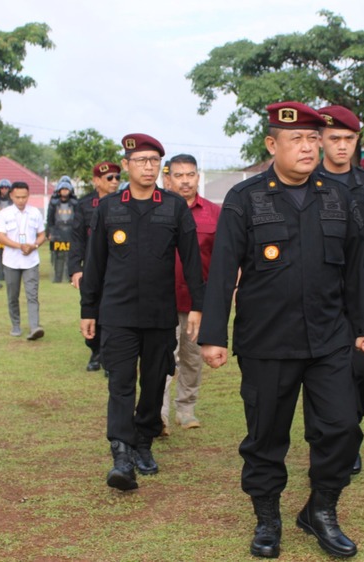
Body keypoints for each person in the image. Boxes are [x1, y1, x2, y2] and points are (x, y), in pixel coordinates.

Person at [199, 102, 364, 559]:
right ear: (271, 145)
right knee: (266, 437)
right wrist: (214, 335)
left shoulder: (337, 197)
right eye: (297, 139)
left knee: (342, 428)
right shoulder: (247, 197)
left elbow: (358, 265)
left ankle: (320, 510)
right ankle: (267, 519)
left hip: (329, 338)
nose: (308, 147)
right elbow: (222, 270)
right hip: (268, 341)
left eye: (314, 138)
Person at [80, 133, 204, 492]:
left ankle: (143, 442)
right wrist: (89, 309)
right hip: (116, 312)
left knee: (153, 383)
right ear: (128, 165)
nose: (148, 167)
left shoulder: (173, 206)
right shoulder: (108, 207)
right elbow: (96, 264)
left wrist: (197, 305)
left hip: (159, 313)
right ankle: (120, 452)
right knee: (119, 384)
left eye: (154, 161)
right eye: (141, 161)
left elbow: (192, 259)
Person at [315, 104, 364, 474]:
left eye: (348, 139)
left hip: (362, 294)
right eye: (334, 139)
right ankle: (331, 441)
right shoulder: (306, 179)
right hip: (320, 294)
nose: (342, 147)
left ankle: (349, 432)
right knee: (320, 373)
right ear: (321, 141)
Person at [160, 153, 219, 434]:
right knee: (163, 357)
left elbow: (222, 258)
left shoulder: (213, 213)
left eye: (190, 175)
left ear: (198, 177)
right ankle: (159, 414)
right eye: (179, 175)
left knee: (192, 358)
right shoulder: (157, 208)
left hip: (198, 302)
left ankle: (186, 409)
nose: (185, 181)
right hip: (162, 300)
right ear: (167, 178)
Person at [70, 161, 122, 373]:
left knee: (112, 311)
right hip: (92, 268)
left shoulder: (122, 203)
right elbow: (77, 238)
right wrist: (76, 268)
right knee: (92, 308)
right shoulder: (84, 205)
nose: (115, 182)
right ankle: (95, 351)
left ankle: (109, 357)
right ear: (96, 181)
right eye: (110, 178)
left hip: (116, 267)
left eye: (118, 178)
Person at [0, 181, 46, 340]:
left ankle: (34, 327)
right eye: (18, 197)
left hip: (31, 260)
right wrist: (19, 246)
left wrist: (34, 245)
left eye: (24, 197)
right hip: (11, 261)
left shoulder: (35, 213)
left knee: (32, 295)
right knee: (13, 296)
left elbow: (42, 234)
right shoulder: (4, 214)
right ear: (11, 196)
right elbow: (1, 237)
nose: (21, 200)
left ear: (28, 195)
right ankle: (16, 325)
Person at [46, 176, 78, 283]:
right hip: (57, 233)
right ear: (59, 191)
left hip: (70, 232)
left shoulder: (75, 203)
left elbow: (78, 219)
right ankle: (58, 277)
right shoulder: (54, 203)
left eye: (66, 189)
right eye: (63, 189)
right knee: (58, 256)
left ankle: (69, 277)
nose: (64, 191)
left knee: (70, 255)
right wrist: (49, 232)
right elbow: (50, 219)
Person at [0, 179, 13, 282]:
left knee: (10, 253)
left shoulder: (12, 201)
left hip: (10, 230)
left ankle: (9, 274)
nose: (4, 190)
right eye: (2, 188)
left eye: (6, 188)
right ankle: (0, 274)